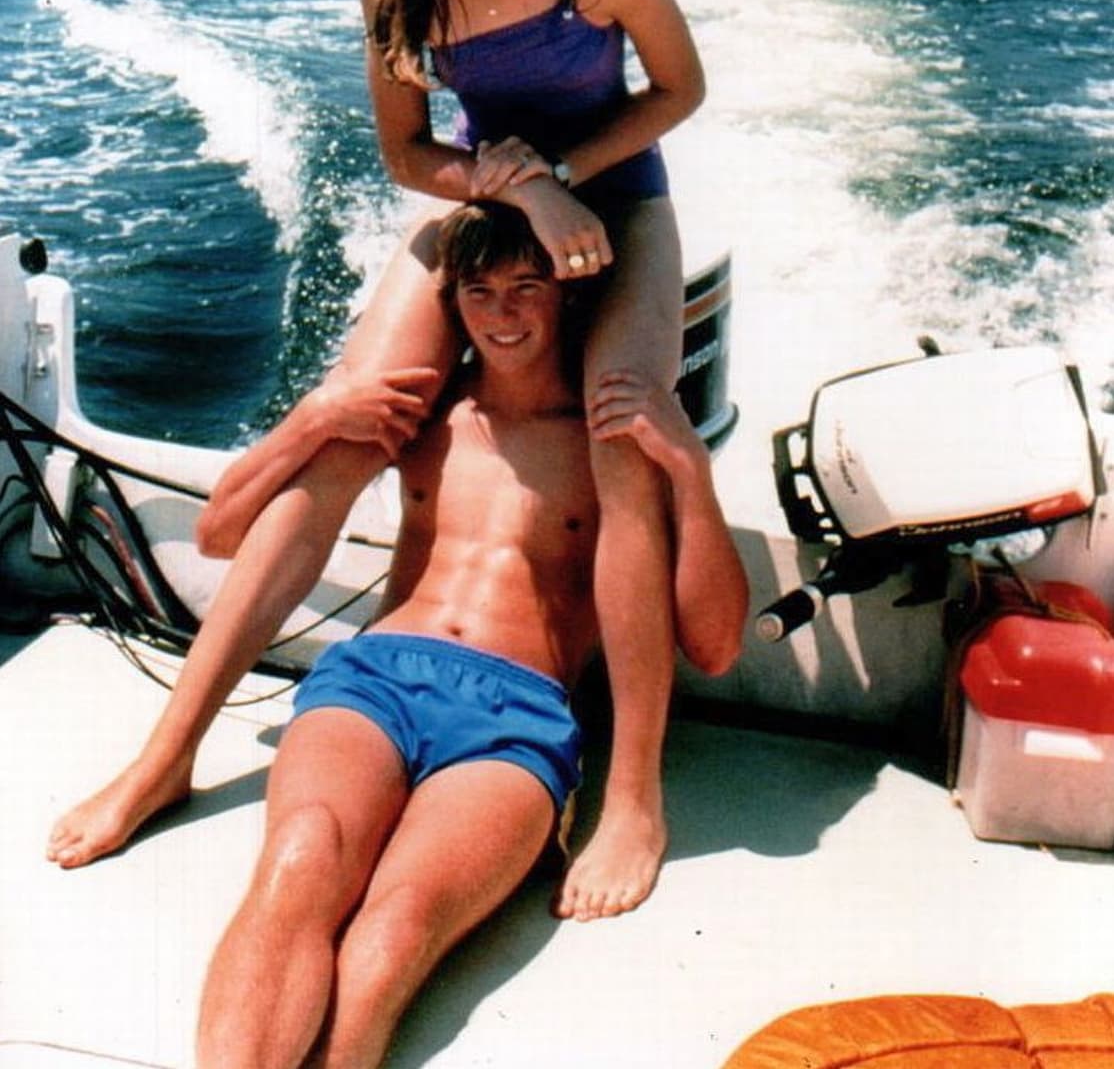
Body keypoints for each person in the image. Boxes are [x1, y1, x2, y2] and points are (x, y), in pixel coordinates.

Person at [193, 0, 708, 920]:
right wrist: (518, 187)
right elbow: (408, 153)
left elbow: (678, 92)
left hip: (619, 203)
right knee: (348, 425)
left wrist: (563, 173)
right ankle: (172, 744)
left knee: (625, 433)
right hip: (488, 200)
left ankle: (631, 791)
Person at [49, 203, 748, 1069]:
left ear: (567, 297)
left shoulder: (610, 439)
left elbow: (715, 643)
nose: (504, 315)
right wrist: (313, 417)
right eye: (480, 292)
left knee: (394, 931)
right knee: (299, 865)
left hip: (515, 719)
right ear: (450, 302)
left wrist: (688, 465)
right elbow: (221, 535)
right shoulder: (421, 414)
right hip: (374, 684)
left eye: (528, 288)